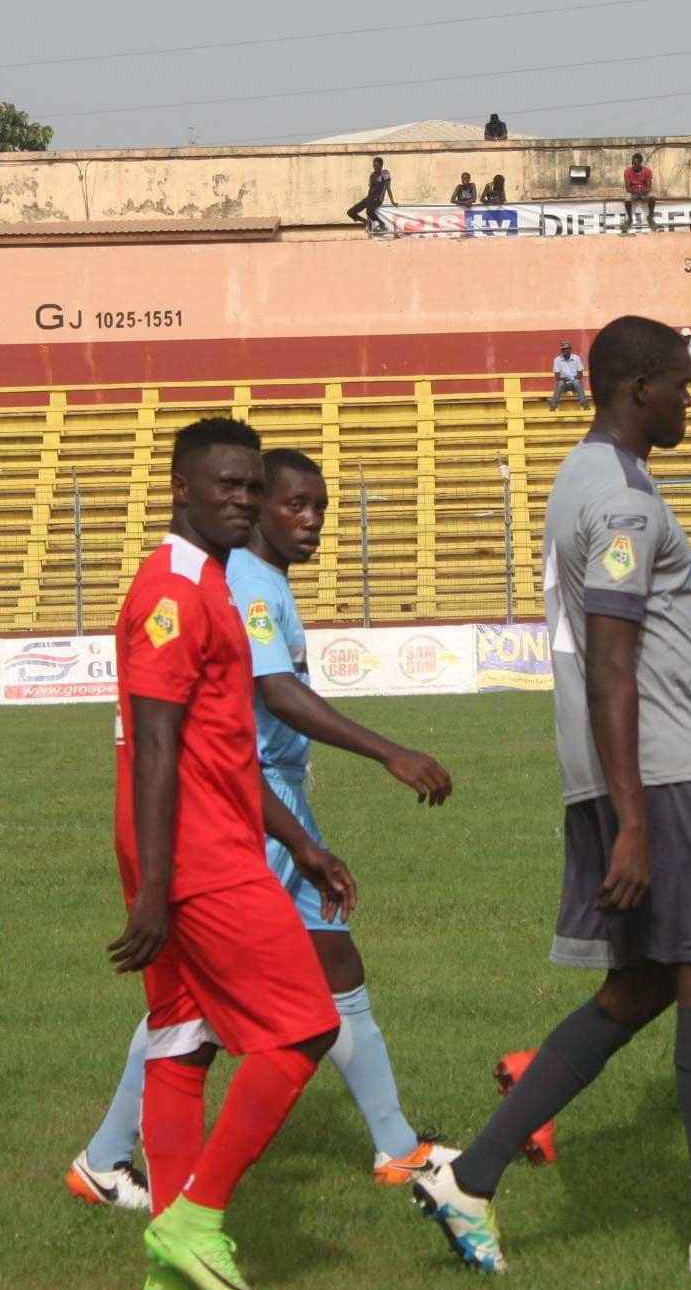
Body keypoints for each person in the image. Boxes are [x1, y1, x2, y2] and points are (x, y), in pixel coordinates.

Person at [410, 316, 691, 1281]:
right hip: (662, 773)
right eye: (683, 384)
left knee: (642, 986)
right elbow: (611, 660)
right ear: (640, 387)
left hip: (625, 770)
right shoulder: (624, 500)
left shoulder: (583, 475)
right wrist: (635, 820)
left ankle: (469, 1177)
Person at [70, 445, 455, 1213]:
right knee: (213, 1002)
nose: (310, 521)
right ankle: (119, 1162)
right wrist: (389, 752)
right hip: (239, 801)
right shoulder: (235, 582)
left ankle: (393, 1143)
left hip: (268, 799)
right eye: (292, 504)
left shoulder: (251, 579)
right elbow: (268, 693)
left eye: (320, 508)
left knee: (315, 970)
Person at [106, 416, 354, 1290]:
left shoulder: (211, 580)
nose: (244, 499)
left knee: (182, 1038)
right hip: (197, 849)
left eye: (252, 485)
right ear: (182, 488)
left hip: (196, 835)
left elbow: (218, 746)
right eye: (228, 485)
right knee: (306, 1027)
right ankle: (196, 1217)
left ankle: (169, 1270)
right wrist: (159, 886)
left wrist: (300, 844)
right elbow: (157, 746)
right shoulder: (173, 589)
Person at [347, 156, 395, 231]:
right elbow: (370, 188)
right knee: (350, 212)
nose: (375, 167)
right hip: (369, 198)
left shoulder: (385, 173)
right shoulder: (372, 175)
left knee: (369, 211)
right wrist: (367, 199)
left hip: (377, 199)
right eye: (374, 165)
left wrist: (392, 201)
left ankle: (381, 224)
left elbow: (388, 188)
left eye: (377, 166)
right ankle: (367, 223)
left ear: (381, 165)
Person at [622, 153, 656, 232]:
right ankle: (629, 219)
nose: (634, 165)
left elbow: (649, 187)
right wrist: (636, 194)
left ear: (640, 163)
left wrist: (643, 194)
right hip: (633, 192)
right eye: (633, 163)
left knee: (652, 197)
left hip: (644, 192)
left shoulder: (647, 171)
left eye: (636, 163)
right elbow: (628, 188)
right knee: (627, 198)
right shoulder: (627, 171)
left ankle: (650, 217)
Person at [550, 342, 588, 410]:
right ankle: (553, 405)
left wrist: (573, 379)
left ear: (570, 349)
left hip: (575, 384)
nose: (564, 350)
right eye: (562, 349)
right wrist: (563, 378)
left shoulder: (577, 358)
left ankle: (585, 404)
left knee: (577, 382)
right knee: (560, 383)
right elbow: (557, 377)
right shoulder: (557, 360)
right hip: (564, 384)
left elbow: (580, 374)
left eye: (566, 349)